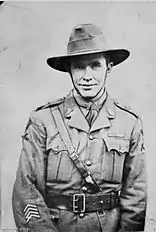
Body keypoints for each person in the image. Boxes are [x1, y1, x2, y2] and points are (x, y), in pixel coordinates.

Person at [12, 23, 147, 232]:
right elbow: (26, 190)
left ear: (108, 67)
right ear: (69, 70)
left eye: (95, 65)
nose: (87, 76)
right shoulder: (43, 120)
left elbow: (135, 197)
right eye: (78, 66)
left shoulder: (129, 122)